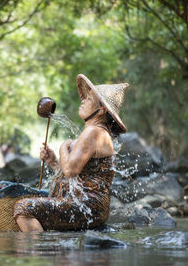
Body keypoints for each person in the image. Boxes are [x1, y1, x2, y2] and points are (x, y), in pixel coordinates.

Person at [14, 74, 129, 232]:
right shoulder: (95, 132)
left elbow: (70, 171)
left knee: (24, 208)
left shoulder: (94, 132)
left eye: (88, 99)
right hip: (90, 207)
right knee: (31, 205)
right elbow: (78, 178)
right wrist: (53, 161)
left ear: (101, 110)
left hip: (88, 207)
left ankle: (40, 249)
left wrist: (62, 148)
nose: (83, 101)